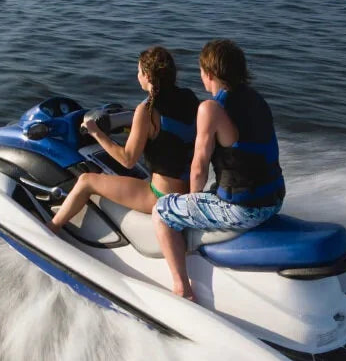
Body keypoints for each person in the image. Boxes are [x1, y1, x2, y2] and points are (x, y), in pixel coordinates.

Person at [152, 39, 285, 300]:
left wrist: (188, 203)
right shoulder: (257, 100)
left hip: (244, 209)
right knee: (212, 192)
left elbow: (199, 167)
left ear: (209, 74)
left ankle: (182, 288)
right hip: (275, 199)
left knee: (162, 211)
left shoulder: (210, 108)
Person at [48, 46, 200, 234]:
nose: (137, 76)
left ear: (147, 76)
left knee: (86, 181)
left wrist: (96, 132)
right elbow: (170, 132)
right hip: (187, 191)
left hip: (161, 195)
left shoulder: (146, 110)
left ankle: (50, 230)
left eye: (139, 71)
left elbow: (127, 160)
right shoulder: (189, 98)